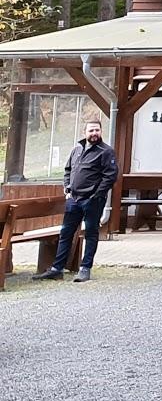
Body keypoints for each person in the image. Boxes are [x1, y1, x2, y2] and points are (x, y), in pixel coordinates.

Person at [33, 119, 118, 283]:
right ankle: (57, 269)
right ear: (84, 132)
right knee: (66, 233)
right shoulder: (77, 149)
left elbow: (110, 176)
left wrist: (96, 194)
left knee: (91, 234)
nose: (94, 133)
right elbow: (68, 170)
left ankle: (85, 269)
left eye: (97, 130)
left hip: (93, 200)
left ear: (101, 132)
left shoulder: (106, 152)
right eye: (91, 130)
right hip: (74, 199)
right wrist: (67, 187)